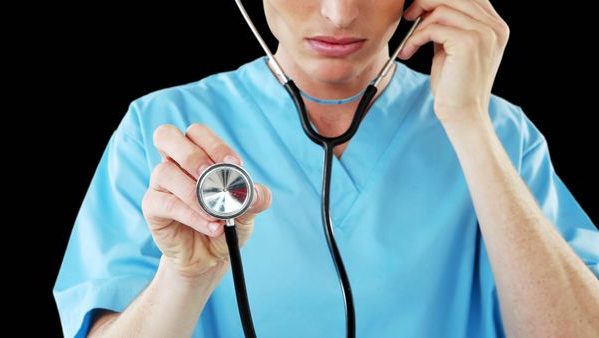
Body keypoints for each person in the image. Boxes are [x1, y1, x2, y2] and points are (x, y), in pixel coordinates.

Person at [54, 0, 599, 337]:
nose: (339, 13)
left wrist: (466, 121)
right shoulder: (162, 129)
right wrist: (185, 279)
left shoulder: (500, 134)